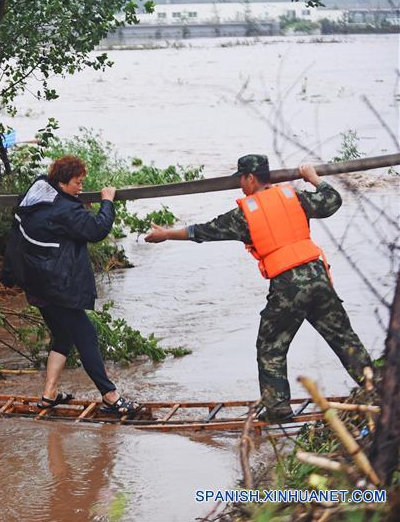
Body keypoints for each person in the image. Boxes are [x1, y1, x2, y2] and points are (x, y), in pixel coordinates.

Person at [144, 154, 373, 422]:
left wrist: (166, 234)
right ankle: (376, 388)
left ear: (250, 178)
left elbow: (203, 231)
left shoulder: (245, 215)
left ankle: (277, 409)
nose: (240, 186)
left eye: (241, 180)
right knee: (344, 338)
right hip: (318, 276)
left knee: (271, 346)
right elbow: (332, 200)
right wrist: (313, 178)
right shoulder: (294, 197)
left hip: (289, 286)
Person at [1, 155, 140, 416]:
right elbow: (97, 229)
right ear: (63, 182)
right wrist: (107, 201)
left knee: (63, 335)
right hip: (56, 285)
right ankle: (110, 397)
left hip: (34, 281)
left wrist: (78, 202)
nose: (80, 187)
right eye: (78, 183)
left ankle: (49, 394)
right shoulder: (65, 210)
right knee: (86, 335)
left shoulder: (38, 191)